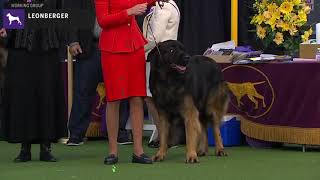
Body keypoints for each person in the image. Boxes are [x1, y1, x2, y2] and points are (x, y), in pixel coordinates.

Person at [1, 0, 67, 162]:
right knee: (23, 99)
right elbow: (12, 18)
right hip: (21, 52)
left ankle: (46, 148)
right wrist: (6, 30)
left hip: (47, 51)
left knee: (47, 97)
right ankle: (25, 148)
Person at [95, 0, 156, 165]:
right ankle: (113, 152)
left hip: (134, 46)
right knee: (114, 99)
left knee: (137, 97)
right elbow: (103, 20)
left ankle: (138, 151)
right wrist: (129, 12)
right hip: (112, 48)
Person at [64, 0, 132, 146]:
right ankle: (76, 134)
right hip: (89, 47)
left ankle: (119, 132)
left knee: (119, 91)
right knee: (82, 90)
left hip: (115, 47)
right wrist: (73, 41)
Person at [142, 0, 180, 148]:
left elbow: (155, 38)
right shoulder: (170, 4)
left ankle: (164, 135)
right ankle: (163, 135)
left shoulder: (162, 7)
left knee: (150, 97)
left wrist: (138, 50)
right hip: (165, 59)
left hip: (157, 59)